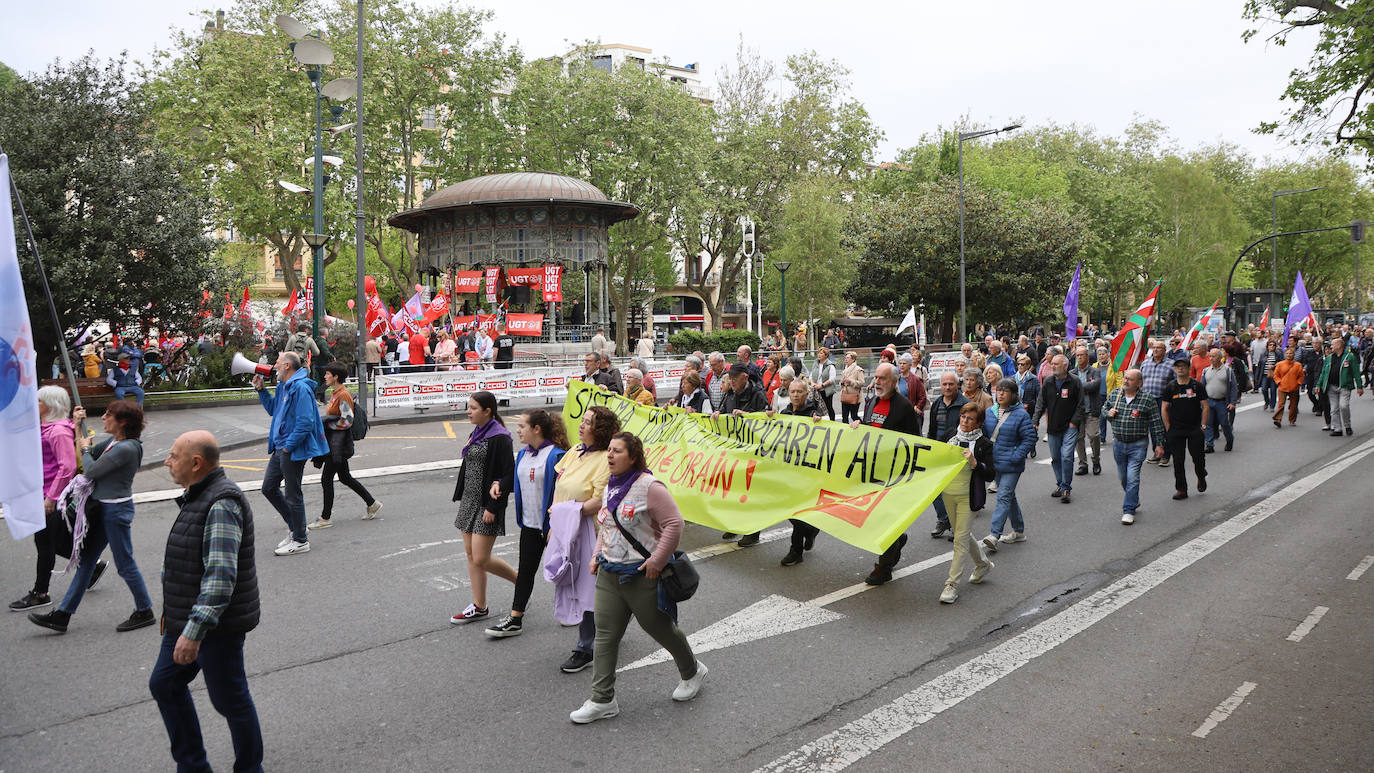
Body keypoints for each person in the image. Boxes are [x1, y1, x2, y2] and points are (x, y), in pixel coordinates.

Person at [568, 432, 704, 724]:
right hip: (609, 573)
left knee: (660, 629)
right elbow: (606, 525)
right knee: (605, 635)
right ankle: (602, 700)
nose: (610, 456)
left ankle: (692, 671)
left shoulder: (649, 486)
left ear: (633, 456)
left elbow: (674, 523)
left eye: (617, 451)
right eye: (610, 451)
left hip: (642, 575)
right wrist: (596, 554)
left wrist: (657, 561)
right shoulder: (611, 487)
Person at [149, 431, 264, 773]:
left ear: (196, 463)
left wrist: (193, 633)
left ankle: (249, 768)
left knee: (230, 700)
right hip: (187, 618)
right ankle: (193, 766)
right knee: (165, 684)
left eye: (173, 456)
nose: (167, 462)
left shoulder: (221, 503)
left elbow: (220, 579)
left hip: (214, 627)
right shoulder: (198, 495)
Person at [29, 401, 155, 634]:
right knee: (87, 561)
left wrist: (86, 450)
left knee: (125, 564)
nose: (104, 417)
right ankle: (63, 615)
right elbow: (85, 455)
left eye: (108, 414)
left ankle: (145, 610)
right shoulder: (115, 442)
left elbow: (92, 469)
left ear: (123, 422)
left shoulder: (127, 447)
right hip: (103, 509)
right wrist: (78, 429)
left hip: (116, 512)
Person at [484, 409, 569, 638]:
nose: (518, 430)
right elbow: (514, 478)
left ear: (536, 429)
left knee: (569, 570)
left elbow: (566, 492)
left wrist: (555, 524)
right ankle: (515, 618)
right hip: (530, 525)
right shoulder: (523, 454)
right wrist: (499, 484)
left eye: (522, 426)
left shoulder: (557, 456)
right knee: (526, 572)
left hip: (554, 527)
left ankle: (578, 610)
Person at [552, 406, 618, 674]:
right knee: (582, 586)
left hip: (590, 532)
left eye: (588, 422)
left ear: (600, 430)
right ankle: (609, 629)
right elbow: (559, 486)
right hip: (566, 529)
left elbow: (598, 501)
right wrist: (554, 524)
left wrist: (565, 511)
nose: (581, 426)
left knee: (587, 589)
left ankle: (586, 647)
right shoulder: (575, 451)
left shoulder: (605, 458)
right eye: (582, 420)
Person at [10, 387, 86, 612]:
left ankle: (41, 593)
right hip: (40, 492)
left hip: (50, 495)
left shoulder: (58, 432)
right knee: (51, 541)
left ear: (50, 405)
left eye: (39, 401)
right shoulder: (48, 427)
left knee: (45, 543)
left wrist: (51, 498)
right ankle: (91, 566)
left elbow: (68, 466)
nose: (35, 405)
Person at [849, 363, 925, 585]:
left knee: (887, 518)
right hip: (873, 472)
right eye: (877, 378)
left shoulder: (903, 407)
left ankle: (884, 567)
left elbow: (914, 441)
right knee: (874, 517)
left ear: (893, 382)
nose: (878, 382)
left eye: (883, 379)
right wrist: (858, 424)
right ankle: (897, 540)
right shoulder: (872, 401)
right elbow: (871, 427)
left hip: (894, 474)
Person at [446, 391, 517, 625]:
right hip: (469, 501)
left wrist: (493, 507)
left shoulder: (501, 437)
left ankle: (522, 582)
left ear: (488, 411)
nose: (468, 411)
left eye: (473, 408)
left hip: (488, 505)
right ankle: (479, 606)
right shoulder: (477, 432)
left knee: (481, 558)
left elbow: (508, 475)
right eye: (469, 407)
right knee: (471, 555)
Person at [253, 351, 328, 556]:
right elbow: (273, 410)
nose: (274, 366)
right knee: (269, 488)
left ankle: (300, 540)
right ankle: (296, 528)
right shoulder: (284, 386)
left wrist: (288, 446)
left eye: (277, 362)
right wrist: (261, 390)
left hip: (291, 449)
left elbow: (306, 422)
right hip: (281, 447)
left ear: (287, 365)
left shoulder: (301, 388)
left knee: (293, 494)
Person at [307, 363, 382, 530]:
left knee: (327, 479)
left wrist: (328, 427)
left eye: (327, 374)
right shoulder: (335, 393)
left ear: (335, 377)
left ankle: (325, 518)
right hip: (336, 444)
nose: (325, 376)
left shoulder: (343, 394)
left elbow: (347, 421)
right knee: (345, 477)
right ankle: (372, 503)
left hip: (338, 445)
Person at [938, 404, 996, 604]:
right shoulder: (950, 435)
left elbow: (990, 474)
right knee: (961, 533)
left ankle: (951, 584)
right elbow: (933, 455)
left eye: (970, 418)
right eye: (963, 416)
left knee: (959, 539)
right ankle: (983, 564)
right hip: (948, 493)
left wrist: (974, 463)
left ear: (978, 423)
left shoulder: (983, 444)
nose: (964, 421)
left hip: (968, 497)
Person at [768, 379, 827, 566]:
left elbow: (829, 435)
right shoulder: (785, 413)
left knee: (798, 511)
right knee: (790, 511)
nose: (795, 395)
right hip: (788, 471)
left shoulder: (813, 412)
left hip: (806, 473)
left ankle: (796, 551)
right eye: (792, 391)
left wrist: (819, 423)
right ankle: (810, 530)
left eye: (799, 392)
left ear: (806, 393)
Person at [978, 378, 1036, 553]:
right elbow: (985, 435)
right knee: (1009, 497)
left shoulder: (1021, 414)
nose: (1001, 393)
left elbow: (1030, 438)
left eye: (1005, 391)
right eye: (999, 390)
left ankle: (994, 535)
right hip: (994, 463)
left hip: (1012, 465)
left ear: (1013, 394)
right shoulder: (990, 412)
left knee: (1003, 496)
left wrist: (1016, 455)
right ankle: (1018, 531)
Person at [1102, 369, 1166, 524]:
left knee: (1132, 477)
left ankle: (1128, 510)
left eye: (1130, 379)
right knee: (1123, 477)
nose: (1125, 381)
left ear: (1139, 383)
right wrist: (1108, 412)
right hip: (1119, 443)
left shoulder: (1147, 399)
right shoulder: (1116, 394)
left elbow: (1156, 423)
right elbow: (1104, 408)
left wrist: (1159, 444)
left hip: (1138, 444)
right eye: (1125, 378)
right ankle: (1133, 498)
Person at [715, 363, 768, 546]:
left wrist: (747, 415)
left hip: (753, 453)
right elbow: (723, 412)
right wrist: (718, 414)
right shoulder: (729, 394)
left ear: (745, 377)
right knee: (733, 491)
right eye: (730, 379)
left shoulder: (757, 394)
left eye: (735, 379)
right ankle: (735, 524)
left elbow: (766, 419)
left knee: (750, 494)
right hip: (734, 451)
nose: (732, 382)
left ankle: (752, 532)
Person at [1032, 354, 1083, 504]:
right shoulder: (1048, 382)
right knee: (1056, 458)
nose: (1052, 366)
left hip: (1070, 427)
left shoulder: (1075, 382)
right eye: (1052, 364)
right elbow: (1040, 403)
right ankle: (1060, 484)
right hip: (1053, 427)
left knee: (1067, 455)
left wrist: (1074, 422)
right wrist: (1035, 421)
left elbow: (1081, 405)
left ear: (1065, 366)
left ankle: (1066, 487)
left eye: (1056, 364)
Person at [925, 372, 971, 539]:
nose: (947, 387)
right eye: (944, 384)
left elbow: (972, 430)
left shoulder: (965, 404)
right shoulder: (937, 403)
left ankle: (957, 525)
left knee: (955, 492)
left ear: (957, 384)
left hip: (957, 455)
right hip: (939, 453)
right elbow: (931, 430)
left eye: (951, 384)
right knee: (935, 489)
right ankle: (944, 519)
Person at [1160, 358, 1209, 500]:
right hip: (1176, 429)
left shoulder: (1197, 386)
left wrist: (1203, 426)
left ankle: (1201, 475)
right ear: (1174, 369)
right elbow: (1164, 408)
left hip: (1194, 428)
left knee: (1198, 458)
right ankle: (1181, 489)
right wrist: (1168, 427)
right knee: (1178, 460)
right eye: (1177, 367)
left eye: (1183, 366)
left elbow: (1205, 406)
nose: (1180, 369)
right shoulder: (1170, 387)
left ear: (1188, 368)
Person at [1318, 335, 1364, 436]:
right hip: (1331, 386)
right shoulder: (1329, 358)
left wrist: (1360, 387)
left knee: (1344, 406)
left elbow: (1356, 372)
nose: (1331, 347)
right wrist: (1319, 384)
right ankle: (1338, 428)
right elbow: (1323, 372)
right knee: (1334, 409)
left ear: (1339, 346)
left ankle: (1347, 425)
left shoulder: (1350, 357)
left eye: (1333, 345)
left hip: (1344, 386)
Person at [1071, 348, 1104, 476]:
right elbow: (1071, 389)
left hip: (1091, 410)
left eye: (1082, 355)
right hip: (1077, 412)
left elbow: (1095, 385)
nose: (1079, 357)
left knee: (1094, 435)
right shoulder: (1072, 373)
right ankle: (1082, 464)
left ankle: (1096, 461)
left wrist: (1078, 386)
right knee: (1078, 438)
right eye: (1077, 355)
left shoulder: (1095, 371)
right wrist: (1084, 386)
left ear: (1087, 357)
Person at [1201, 348, 1237, 453]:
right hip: (1208, 402)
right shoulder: (1206, 370)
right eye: (1210, 356)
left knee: (1224, 424)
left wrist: (1232, 402)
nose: (1211, 358)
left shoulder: (1227, 370)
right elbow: (1202, 387)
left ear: (1220, 357)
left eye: (1214, 356)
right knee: (1208, 423)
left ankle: (1230, 440)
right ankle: (1209, 445)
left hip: (1222, 402)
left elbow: (1233, 387)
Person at [1271, 348, 1305, 429]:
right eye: (1287, 353)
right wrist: (1279, 382)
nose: (1289, 355)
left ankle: (1292, 420)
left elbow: (1301, 376)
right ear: (1285, 355)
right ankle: (1278, 420)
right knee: (1281, 404)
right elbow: (1276, 375)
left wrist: (1298, 383)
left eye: (1290, 353)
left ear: (1294, 355)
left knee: (1293, 405)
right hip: (1282, 387)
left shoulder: (1298, 365)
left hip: (1294, 387)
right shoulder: (1280, 364)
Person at [811, 346, 838, 420]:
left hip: (826, 390)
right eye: (818, 353)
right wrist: (813, 383)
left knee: (829, 407)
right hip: (816, 389)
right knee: (816, 407)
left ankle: (832, 421)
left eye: (821, 353)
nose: (819, 355)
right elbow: (811, 375)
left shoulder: (830, 366)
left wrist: (822, 385)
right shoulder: (815, 364)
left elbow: (832, 379)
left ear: (826, 355)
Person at [838, 350, 865, 424]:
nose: (846, 360)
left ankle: (863, 427)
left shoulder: (858, 370)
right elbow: (841, 383)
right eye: (845, 358)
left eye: (848, 358)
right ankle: (844, 431)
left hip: (854, 395)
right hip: (845, 394)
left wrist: (851, 381)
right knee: (844, 416)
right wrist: (842, 382)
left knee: (854, 415)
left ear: (853, 359)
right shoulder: (845, 369)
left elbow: (862, 383)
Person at [1258, 338, 1280, 411]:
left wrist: (1274, 366)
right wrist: (1257, 376)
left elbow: (1281, 362)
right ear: (1267, 346)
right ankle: (1267, 402)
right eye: (1270, 345)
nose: (1272, 346)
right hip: (1265, 374)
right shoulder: (1263, 354)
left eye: (1273, 345)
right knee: (1264, 389)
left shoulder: (1278, 353)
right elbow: (1260, 365)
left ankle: (1272, 406)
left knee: (1273, 390)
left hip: (1274, 375)